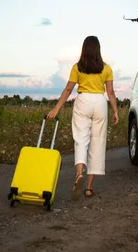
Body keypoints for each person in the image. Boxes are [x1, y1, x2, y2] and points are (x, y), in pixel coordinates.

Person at [46, 36, 119, 200]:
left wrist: (56, 108)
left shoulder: (77, 67)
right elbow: (111, 93)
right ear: (98, 49)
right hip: (100, 103)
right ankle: (89, 188)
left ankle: (79, 173)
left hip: (83, 101)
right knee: (97, 143)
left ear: (83, 49)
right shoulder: (106, 68)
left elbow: (68, 89)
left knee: (81, 140)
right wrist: (115, 111)